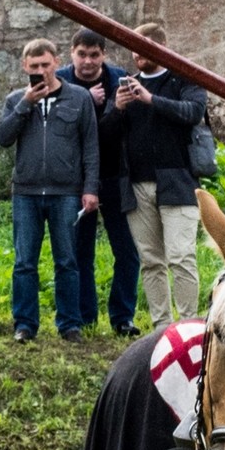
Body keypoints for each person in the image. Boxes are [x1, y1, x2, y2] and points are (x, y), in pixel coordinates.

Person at [0, 38, 100, 343]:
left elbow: (90, 148)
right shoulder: (17, 99)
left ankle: (70, 324)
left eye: (45, 64)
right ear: (24, 67)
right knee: (24, 261)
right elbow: (3, 138)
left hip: (66, 191)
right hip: (26, 192)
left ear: (56, 62)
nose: (41, 71)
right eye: (34, 66)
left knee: (67, 260)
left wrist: (90, 188)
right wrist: (26, 103)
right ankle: (25, 324)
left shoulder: (79, 98)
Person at [106, 23, 208, 331]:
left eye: (144, 46)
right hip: (136, 185)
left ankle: (189, 326)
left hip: (178, 182)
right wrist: (117, 109)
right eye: (134, 47)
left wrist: (151, 100)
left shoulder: (185, 79)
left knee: (181, 257)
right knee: (151, 261)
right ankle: (162, 328)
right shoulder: (126, 86)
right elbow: (107, 135)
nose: (137, 53)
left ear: (161, 48)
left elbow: (193, 112)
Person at [62, 30, 142, 337]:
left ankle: (123, 317)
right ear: (72, 53)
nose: (87, 61)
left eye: (94, 55)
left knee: (127, 251)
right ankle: (85, 317)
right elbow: (68, 133)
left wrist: (115, 106)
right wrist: (89, 103)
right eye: (82, 54)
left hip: (114, 176)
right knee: (80, 251)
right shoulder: (60, 81)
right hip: (76, 180)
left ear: (103, 55)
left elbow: (120, 131)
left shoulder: (119, 80)